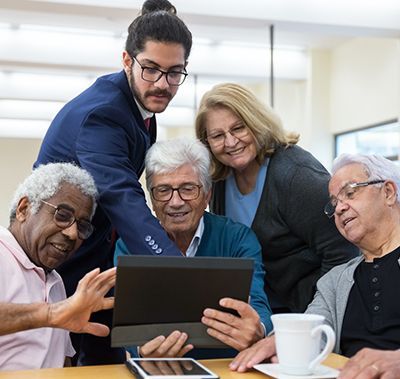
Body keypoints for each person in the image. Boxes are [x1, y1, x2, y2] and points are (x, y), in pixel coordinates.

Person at [33, 0, 192, 365]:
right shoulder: (104, 113)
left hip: (94, 257)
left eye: (174, 73)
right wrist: (177, 270)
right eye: (151, 69)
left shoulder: (138, 106)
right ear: (127, 60)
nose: (162, 84)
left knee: (111, 356)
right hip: (60, 261)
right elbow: (121, 195)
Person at [195, 83, 359, 313]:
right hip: (261, 313)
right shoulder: (219, 179)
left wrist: (314, 314)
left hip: (307, 313)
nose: (230, 142)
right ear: (207, 143)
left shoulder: (297, 176)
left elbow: (344, 253)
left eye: (239, 128)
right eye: (218, 136)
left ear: (256, 122)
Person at [228, 153, 400, 373]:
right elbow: (313, 331)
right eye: (334, 203)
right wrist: (278, 342)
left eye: (350, 193)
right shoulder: (334, 281)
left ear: (388, 192)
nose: (339, 208)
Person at [115, 138, 272, 358]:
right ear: (151, 198)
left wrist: (259, 330)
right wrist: (139, 349)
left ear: (207, 195)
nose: (175, 201)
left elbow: (259, 305)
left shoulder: (238, 239)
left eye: (188, 189)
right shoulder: (130, 244)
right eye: (163, 190)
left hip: (227, 368)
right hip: (159, 371)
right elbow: (124, 322)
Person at [0, 162, 116, 370]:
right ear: (23, 209)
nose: (72, 234)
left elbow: (62, 364)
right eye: (62, 215)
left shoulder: (55, 281)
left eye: (82, 226)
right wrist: (50, 314)